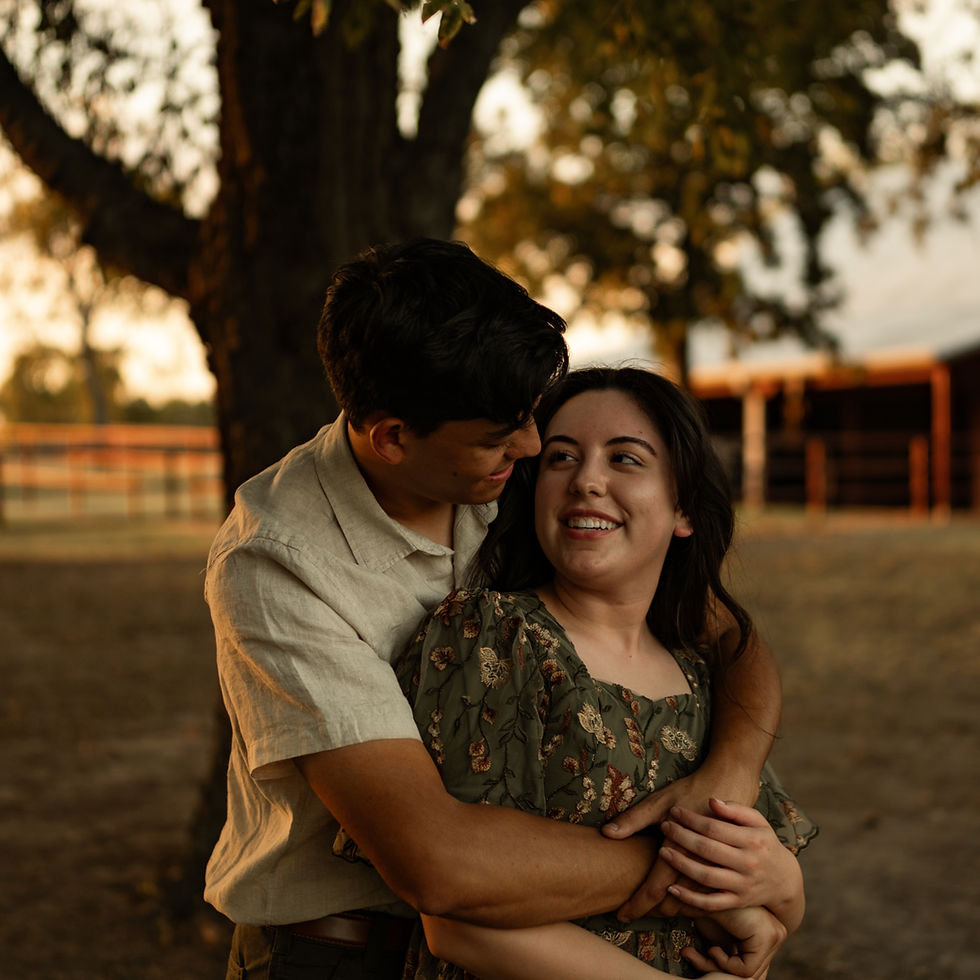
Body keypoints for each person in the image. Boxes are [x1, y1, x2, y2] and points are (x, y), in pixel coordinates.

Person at [204, 239, 784, 979]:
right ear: (391, 437)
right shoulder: (278, 565)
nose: (535, 445)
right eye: (499, 439)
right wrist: (701, 870)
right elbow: (439, 865)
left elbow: (727, 634)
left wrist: (730, 776)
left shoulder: (510, 459)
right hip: (340, 953)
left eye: (531, 418)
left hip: (542, 935)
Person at [378, 367, 816, 978]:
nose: (586, 480)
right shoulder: (495, 637)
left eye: (626, 460)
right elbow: (458, 922)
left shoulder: (700, 676)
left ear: (683, 508)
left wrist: (783, 883)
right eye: (561, 458)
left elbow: (773, 901)